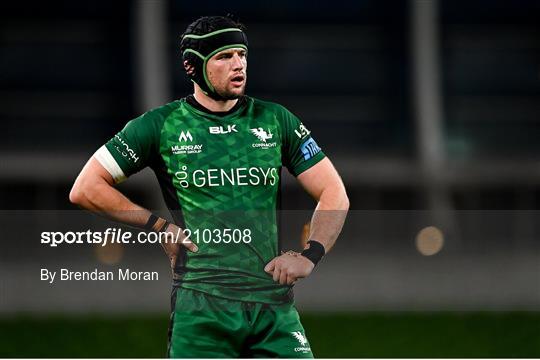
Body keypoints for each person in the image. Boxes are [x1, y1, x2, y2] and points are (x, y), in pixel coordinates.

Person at [70, 15, 349, 358]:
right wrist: (158, 226)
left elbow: (334, 191)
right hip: (201, 310)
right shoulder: (162, 125)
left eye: (241, 55)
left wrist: (312, 255)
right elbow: (85, 187)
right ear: (193, 67)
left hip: (272, 308)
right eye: (224, 56)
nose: (238, 64)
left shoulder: (275, 120)